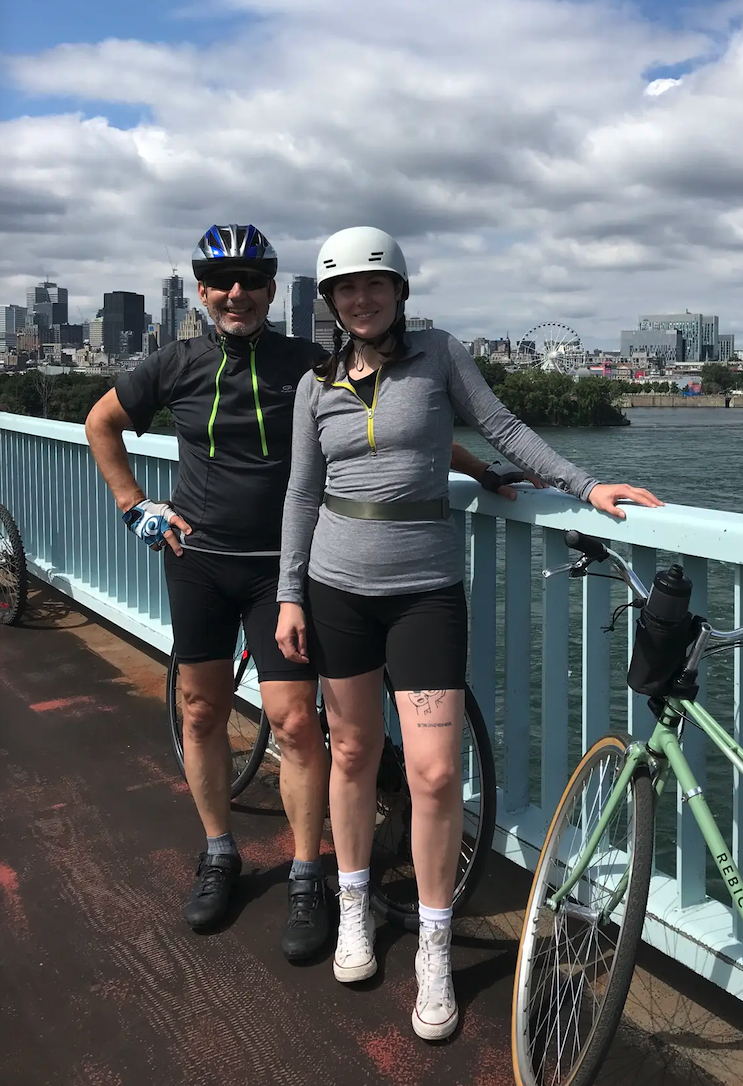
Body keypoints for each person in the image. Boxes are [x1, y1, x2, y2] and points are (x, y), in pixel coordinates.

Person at [275, 226, 662, 1040]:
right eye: (345, 289)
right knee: (351, 752)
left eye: (374, 284)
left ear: (399, 291)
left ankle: (433, 944)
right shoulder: (316, 384)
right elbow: (302, 494)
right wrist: (289, 595)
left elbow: (503, 428)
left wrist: (585, 486)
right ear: (331, 303)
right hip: (335, 589)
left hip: (423, 590)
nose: (360, 299)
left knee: (435, 771)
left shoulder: (439, 354)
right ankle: (353, 907)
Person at [85, 223, 332, 960]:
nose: (236, 293)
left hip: (282, 570)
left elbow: (386, 427)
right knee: (200, 710)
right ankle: (220, 850)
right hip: (198, 561)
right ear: (201, 291)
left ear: (270, 290)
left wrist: (482, 469)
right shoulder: (176, 362)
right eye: (222, 282)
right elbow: (101, 423)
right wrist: (133, 505)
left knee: (294, 723)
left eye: (251, 281)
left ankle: (307, 872)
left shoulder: (309, 361)